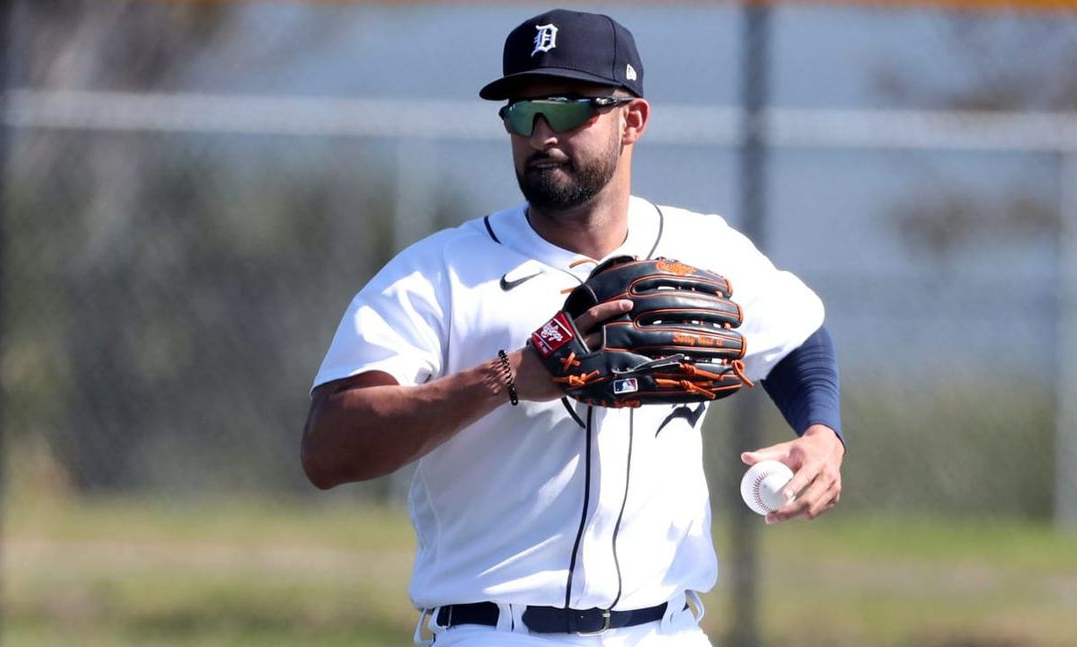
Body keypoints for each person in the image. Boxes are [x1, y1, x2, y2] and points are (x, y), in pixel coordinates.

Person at [301, 8, 844, 645]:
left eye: (565, 109)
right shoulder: (438, 272)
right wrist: (508, 377)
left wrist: (822, 434)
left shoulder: (704, 250)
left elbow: (799, 340)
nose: (541, 134)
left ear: (632, 120)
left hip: (665, 629)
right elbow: (328, 448)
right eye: (522, 113)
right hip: (494, 631)